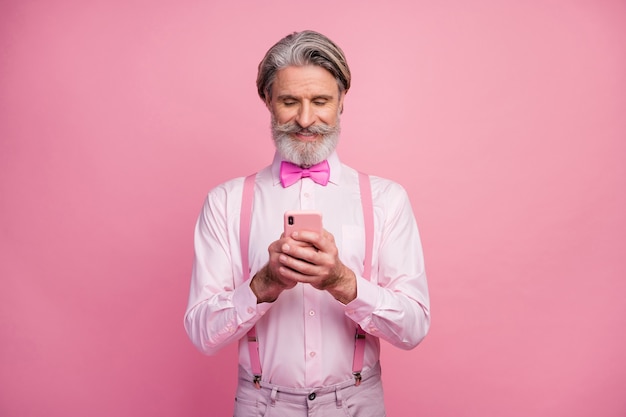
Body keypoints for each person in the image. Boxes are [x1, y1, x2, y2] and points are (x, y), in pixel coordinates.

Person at [184, 30, 430, 417]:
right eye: (288, 101)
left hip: (356, 404)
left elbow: (414, 328)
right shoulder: (226, 202)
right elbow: (202, 334)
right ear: (267, 100)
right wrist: (263, 285)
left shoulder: (386, 200)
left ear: (342, 101)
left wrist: (344, 283)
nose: (305, 118)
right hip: (261, 405)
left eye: (320, 101)